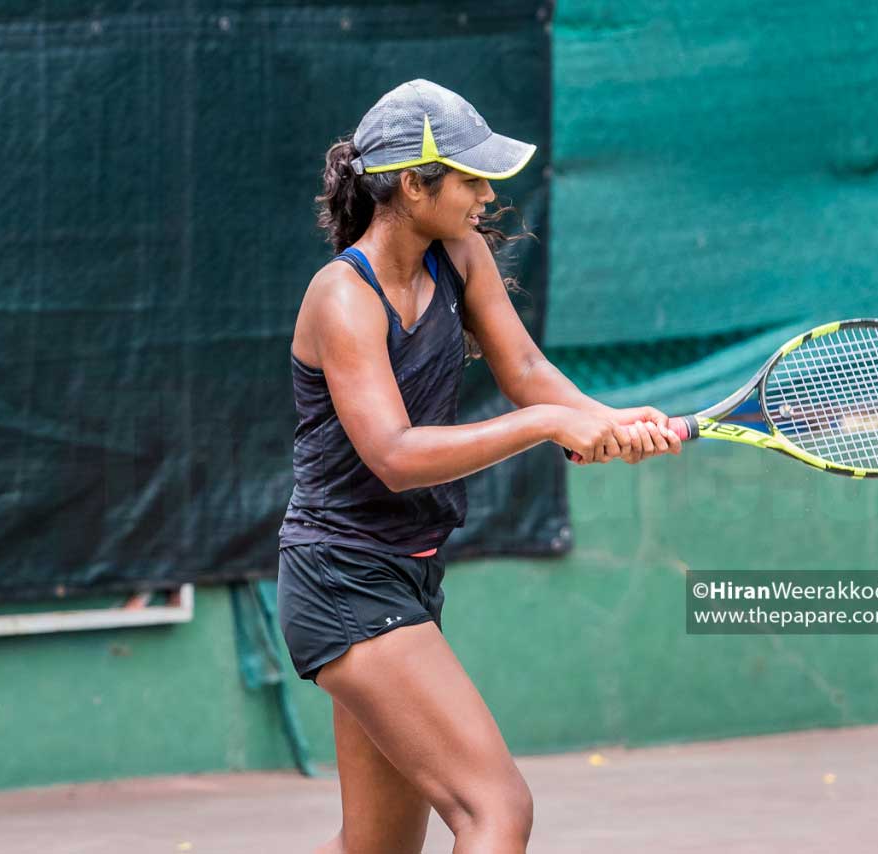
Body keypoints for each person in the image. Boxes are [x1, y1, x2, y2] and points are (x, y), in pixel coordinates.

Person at [278, 79, 681, 854]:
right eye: (468, 177)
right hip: (343, 580)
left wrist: (605, 420)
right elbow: (395, 457)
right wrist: (546, 425)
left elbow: (526, 368)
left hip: (406, 572)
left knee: (376, 849)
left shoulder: (458, 256)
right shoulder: (341, 297)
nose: (486, 192)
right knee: (495, 809)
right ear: (409, 183)